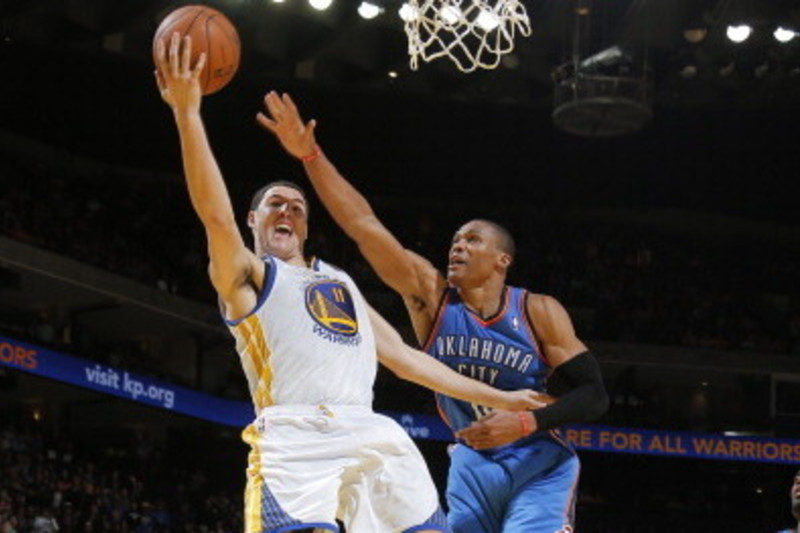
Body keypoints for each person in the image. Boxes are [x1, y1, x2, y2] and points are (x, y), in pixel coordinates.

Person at [154, 33, 543, 533]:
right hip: (295, 432)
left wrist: (507, 398)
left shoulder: (339, 283)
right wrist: (188, 115)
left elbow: (408, 361)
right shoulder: (247, 275)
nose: (288, 210)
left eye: (297, 207)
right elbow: (214, 215)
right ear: (253, 220)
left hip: (369, 429)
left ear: (306, 227)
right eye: (276, 203)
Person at [258, 91, 610, 533]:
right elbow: (363, 226)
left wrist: (525, 421)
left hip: (537, 460)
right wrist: (310, 155)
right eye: (455, 240)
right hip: (470, 462)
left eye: (473, 240)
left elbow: (594, 395)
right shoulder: (431, 296)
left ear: (502, 260)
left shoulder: (537, 311)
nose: (458, 246)